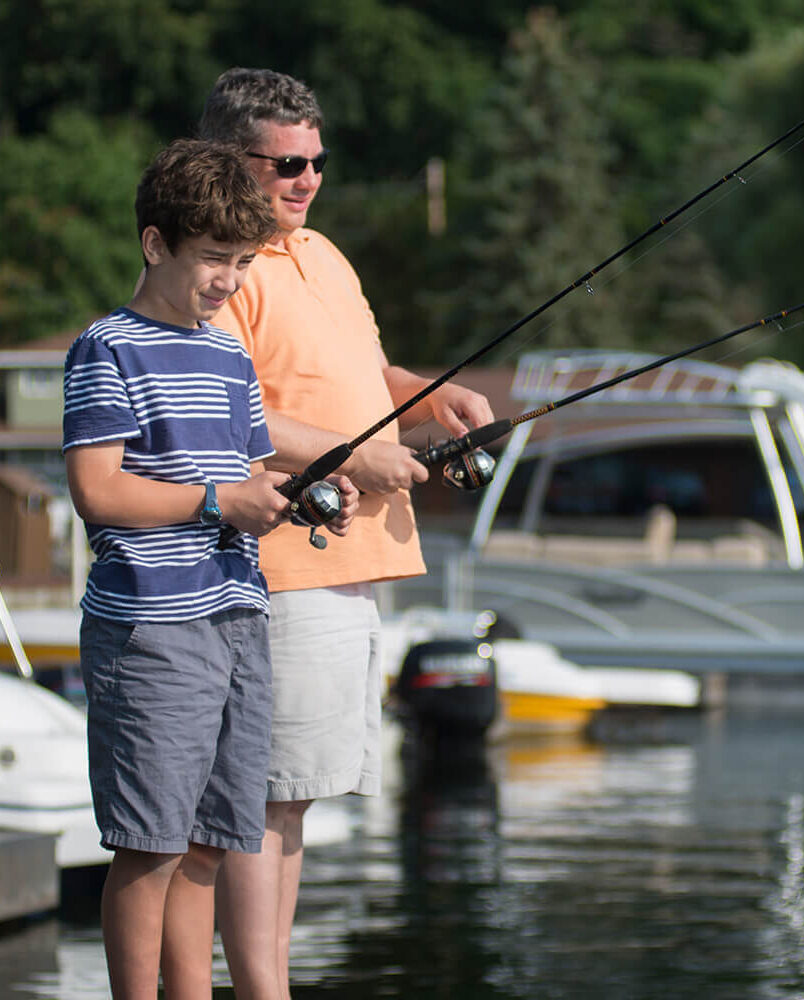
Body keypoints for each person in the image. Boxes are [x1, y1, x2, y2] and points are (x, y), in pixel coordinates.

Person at [199, 68, 496, 997]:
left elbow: (366, 371)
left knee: (294, 799)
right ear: (226, 160)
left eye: (316, 160)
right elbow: (221, 408)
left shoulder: (321, 254)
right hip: (283, 567)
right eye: (284, 162)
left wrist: (432, 394)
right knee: (264, 797)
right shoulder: (220, 267)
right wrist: (347, 457)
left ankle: (267, 983)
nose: (305, 178)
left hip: (349, 566)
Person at [62, 138, 356, 1000]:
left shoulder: (227, 352)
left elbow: (245, 471)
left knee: (207, 842)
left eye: (239, 261)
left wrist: (293, 495)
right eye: (214, 260)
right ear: (157, 245)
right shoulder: (107, 349)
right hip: (151, 626)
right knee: (149, 845)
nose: (229, 280)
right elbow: (97, 489)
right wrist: (218, 501)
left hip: (236, 617)